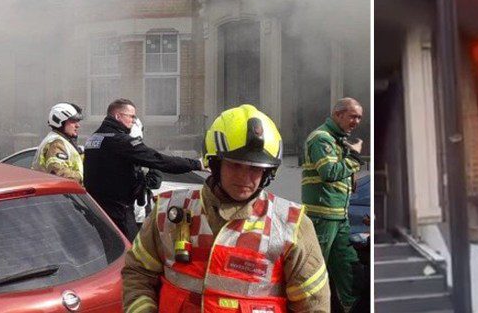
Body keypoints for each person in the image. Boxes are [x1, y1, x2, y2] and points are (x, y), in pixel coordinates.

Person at [122, 104, 330, 313]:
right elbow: (138, 273)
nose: (244, 177)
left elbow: (313, 305)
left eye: (255, 169)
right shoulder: (168, 211)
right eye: (234, 165)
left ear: (268, 173)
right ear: (214, 164)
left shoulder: (291, 225)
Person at [84, 98, 202, 241]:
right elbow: (159, 160)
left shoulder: (94, 138)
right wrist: (196, 164)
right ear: (118, 116)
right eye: (131, 116)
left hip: (97, 209)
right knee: (129, 254)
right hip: (119, 211)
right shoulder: (121, 141)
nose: (133, 121)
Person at [301, 97, 364, 312]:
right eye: (353, 116)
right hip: (322, 216)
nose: (357, 121)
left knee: (347, 267)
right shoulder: (321, 138)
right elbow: (329, 172)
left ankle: (350, 306)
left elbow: (339, 172)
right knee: (315, 272)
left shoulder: (338, 140)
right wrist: (355, 157)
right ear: (337, 114)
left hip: (339, 216)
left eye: (359, 118)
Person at [31, 102, 84, 182]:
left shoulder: (63, 142)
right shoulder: (56, 143)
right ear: (60, 121)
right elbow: (59, 173)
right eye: (73, 121)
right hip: (57, 193)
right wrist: (83, 177)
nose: (77, 125)